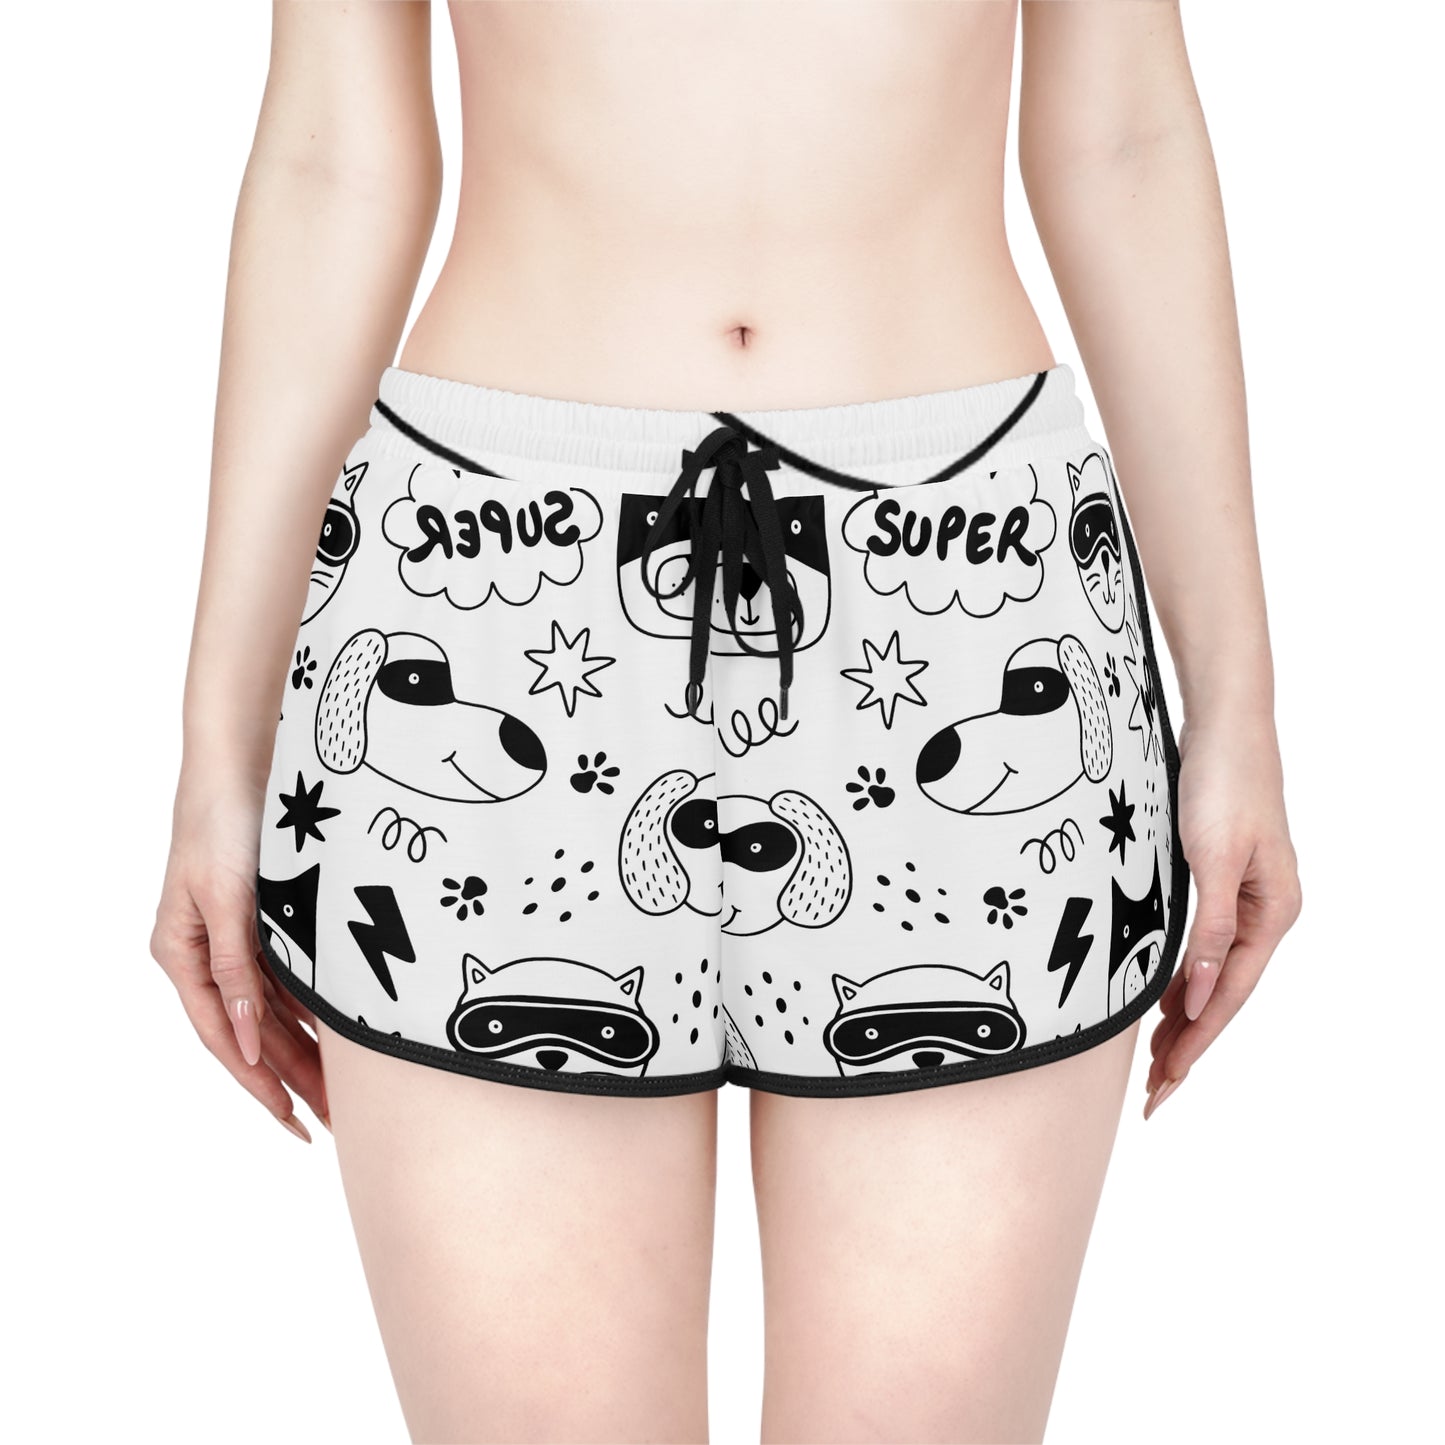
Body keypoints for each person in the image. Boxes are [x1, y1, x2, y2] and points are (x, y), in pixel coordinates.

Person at [150, 2, 1302, 1440]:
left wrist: (1238, 695)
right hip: (493, 595)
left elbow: (1122, 131)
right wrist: (218, 741)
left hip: (967, 602)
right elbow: (336, 155)